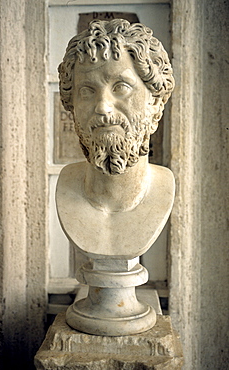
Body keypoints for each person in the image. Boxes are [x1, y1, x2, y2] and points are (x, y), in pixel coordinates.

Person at [56, 19, 175, 257]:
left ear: (155, 102)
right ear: (72, 106)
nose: (103, 107)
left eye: (120, 87)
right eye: (87, 91)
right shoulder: (66, 185)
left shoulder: (164, 188)